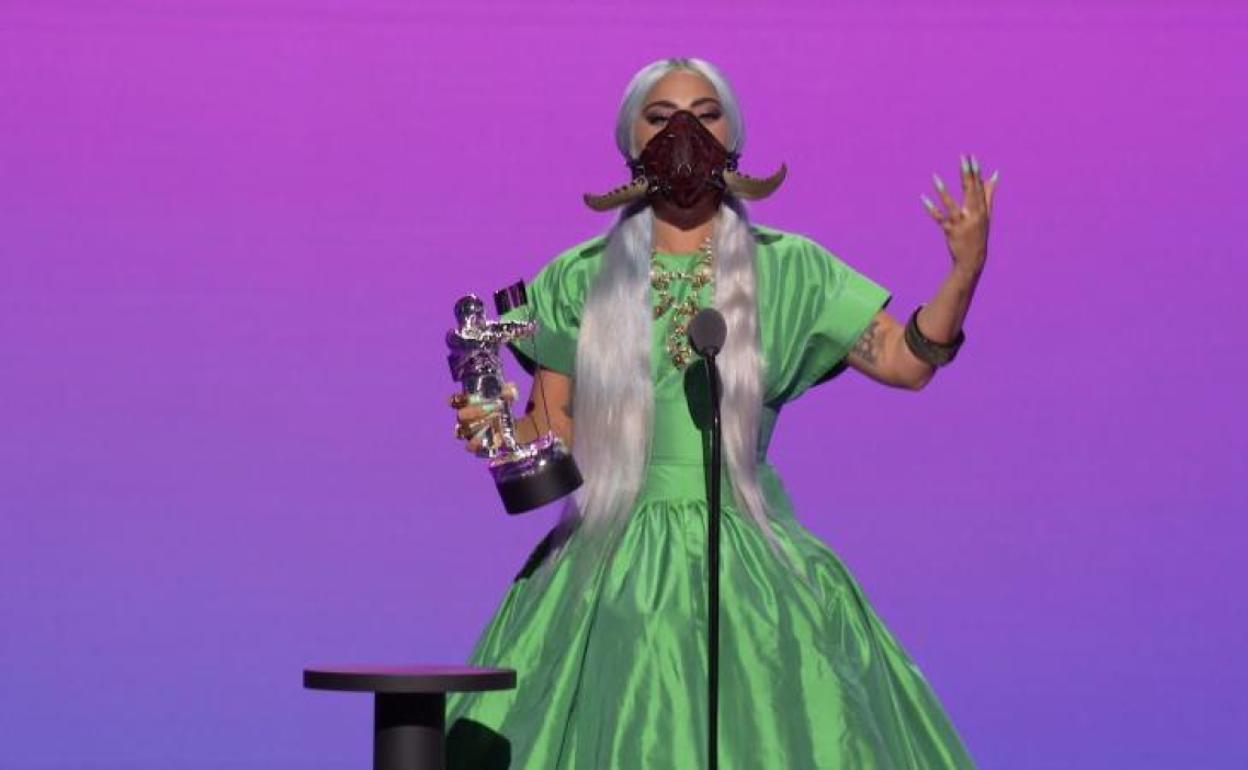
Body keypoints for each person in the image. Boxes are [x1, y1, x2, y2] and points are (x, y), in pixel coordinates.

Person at [443, 56, 995, 770]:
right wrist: (489, 421)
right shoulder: (578, 278)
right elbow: (551, 441)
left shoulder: (790, 269)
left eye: (706, 116)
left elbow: (904, 361)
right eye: (660, 117)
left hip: (752, 570)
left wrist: (963, 273)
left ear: (734, 136)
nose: (684, 133)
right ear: (628, 139)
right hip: (608, 570)